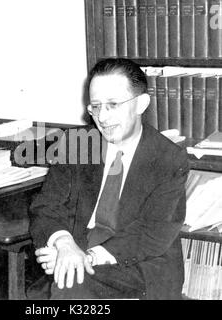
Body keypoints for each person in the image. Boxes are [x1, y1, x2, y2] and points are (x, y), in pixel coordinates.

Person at [28, 58, 189, 300]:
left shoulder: (168, 158)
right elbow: (46, 205)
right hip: (79, 246)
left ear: (141, 104)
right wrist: (64, 244)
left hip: (140, 263)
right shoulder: (76, 144)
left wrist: (86, 257)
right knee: (71, 278)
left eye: (113, 104)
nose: (102, 117)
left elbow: (152, 232)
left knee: (71, 279)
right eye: (95, 106)